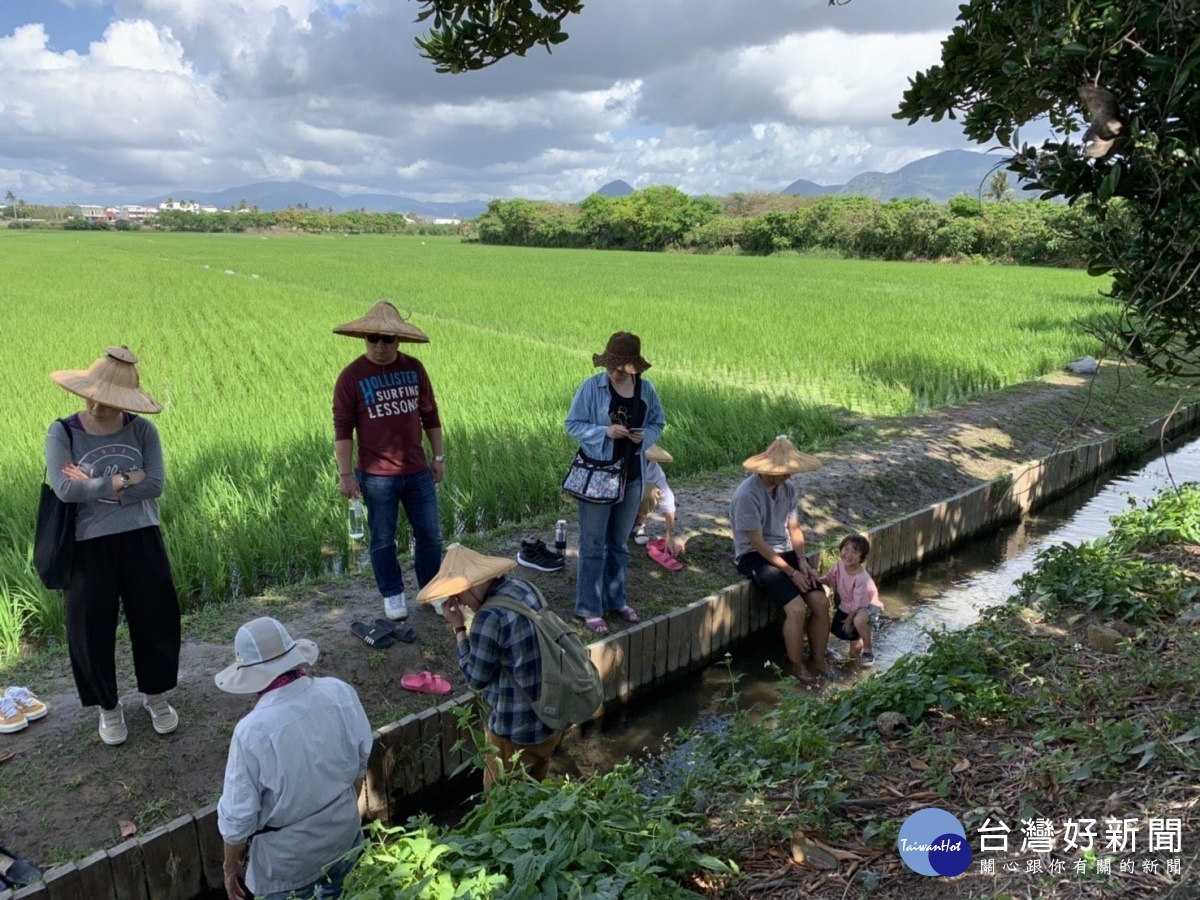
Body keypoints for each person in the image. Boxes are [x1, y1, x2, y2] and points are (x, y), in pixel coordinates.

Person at [45, 346, 181, 746]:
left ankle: (155, 695)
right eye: (91, 396)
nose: (96, 405)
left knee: (156, 618)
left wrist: (95, 485)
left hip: (141, 537)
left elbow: (156, 483)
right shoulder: (63, 431)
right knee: (89, 629)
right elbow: (66, 489)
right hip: (88, 545)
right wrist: (123, 480)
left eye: (107, 401)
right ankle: (108, 706)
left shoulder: (142, 431)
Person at [216, 617, 373, 900]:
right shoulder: (339, 692)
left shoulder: (251, 732)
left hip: (287, 866)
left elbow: (238, 819)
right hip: (344, 837)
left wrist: (230, 867)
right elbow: (360, 766)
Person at [333, 300, 445, 623]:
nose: (379, 346)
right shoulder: (351, 378)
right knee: (383, 538)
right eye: (372, 338)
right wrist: (345, 474)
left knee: (431, 534)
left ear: (398, 340)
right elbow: (343, 431)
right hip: (376, 476)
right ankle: (393, 594)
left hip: (417, 470)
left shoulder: (414, 369)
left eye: (387, 339)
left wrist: (438, 456)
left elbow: (430, 415)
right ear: (363, 338)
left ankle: (432, 590)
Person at [417, 544, 562, 789]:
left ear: (471, 585)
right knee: (538, 791)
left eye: (458, 595)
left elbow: (475, 679)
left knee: (499, 804)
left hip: (514, 731)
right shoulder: (526, 588)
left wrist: (459, 629)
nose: (459, 602)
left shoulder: (488, 617)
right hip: (551, 716)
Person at [565, 332, 665, 635]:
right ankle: (590, 608)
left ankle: (616, 599)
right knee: (593, 543)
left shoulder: (646, 391)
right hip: (599, 474)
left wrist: (643, 437)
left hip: (632, 474)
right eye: (609, 366)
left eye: (619, 368)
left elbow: (657, 422)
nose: (612, 372)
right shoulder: (591, 387)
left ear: (633, 368)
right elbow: (573, 424)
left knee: (619, 545)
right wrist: (604, 432)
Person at [730, 435, 829, 679]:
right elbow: (757, 542)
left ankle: (819, 659)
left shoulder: (788, 488)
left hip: (785, 550)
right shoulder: (746, 495)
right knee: (795, 609)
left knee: (821, 602)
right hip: (754, 556)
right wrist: (792, 573)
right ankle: (796, 667)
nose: (789, 476)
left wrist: (803, 561)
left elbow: (794, 528)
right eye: (784, 471)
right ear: (768, 469)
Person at [820, 534, 883, 666]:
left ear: (862, 558)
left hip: (866, 605)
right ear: (841, 550)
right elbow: (830, 579)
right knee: (842, 632)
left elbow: (858, 603)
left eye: (855, 552)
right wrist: (818, 579)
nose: (849, 554)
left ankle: (868, 649)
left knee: (857, 621)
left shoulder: (861, 578)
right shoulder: (839, 565)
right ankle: (854, 658)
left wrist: (849, 620)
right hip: (848, 604)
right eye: (846, 549)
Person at [630, 443, 683, 558]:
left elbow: (668, 502)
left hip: (637, 500)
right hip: (619, 500)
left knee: (651, 490)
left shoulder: (654, 470)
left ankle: (637, 525)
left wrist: (669, 536)